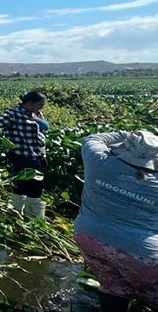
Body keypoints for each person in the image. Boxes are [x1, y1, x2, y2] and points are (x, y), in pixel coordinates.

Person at [74, 130, 158, 311]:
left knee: (113, 286)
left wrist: (126, 134)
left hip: (89, 239)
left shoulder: (97, 161)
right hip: (142, 254)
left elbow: (93, 138)